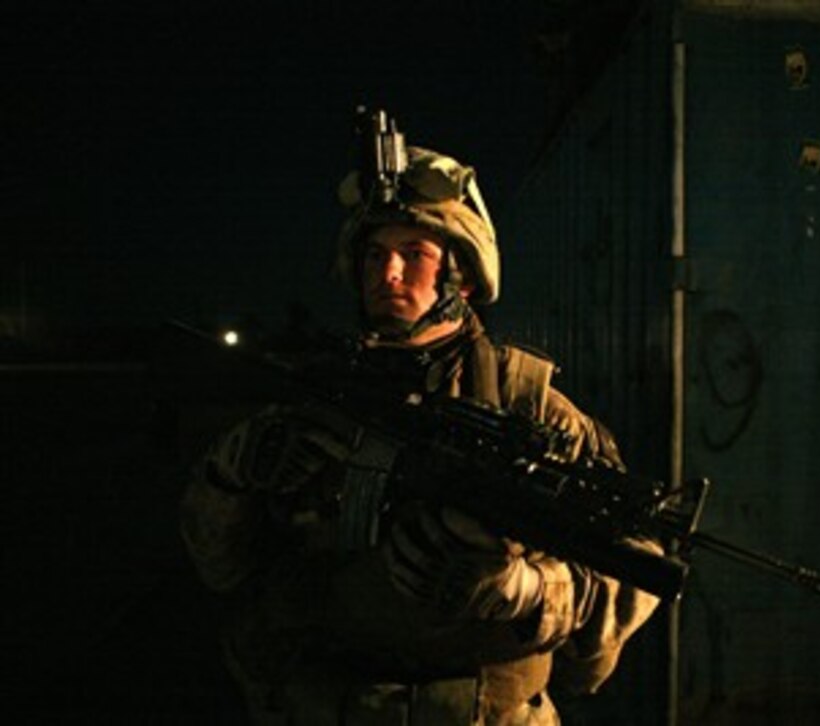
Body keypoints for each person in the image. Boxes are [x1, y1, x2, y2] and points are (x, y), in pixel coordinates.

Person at [179, 143, 660, 725]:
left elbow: (636, 572)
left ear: (459, 271)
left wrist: (529, 590)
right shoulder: (315, 404)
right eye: (375, 254)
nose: (389, 273)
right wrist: (228, 478)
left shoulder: (528, 407)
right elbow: (221, 570)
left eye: (414, 253)